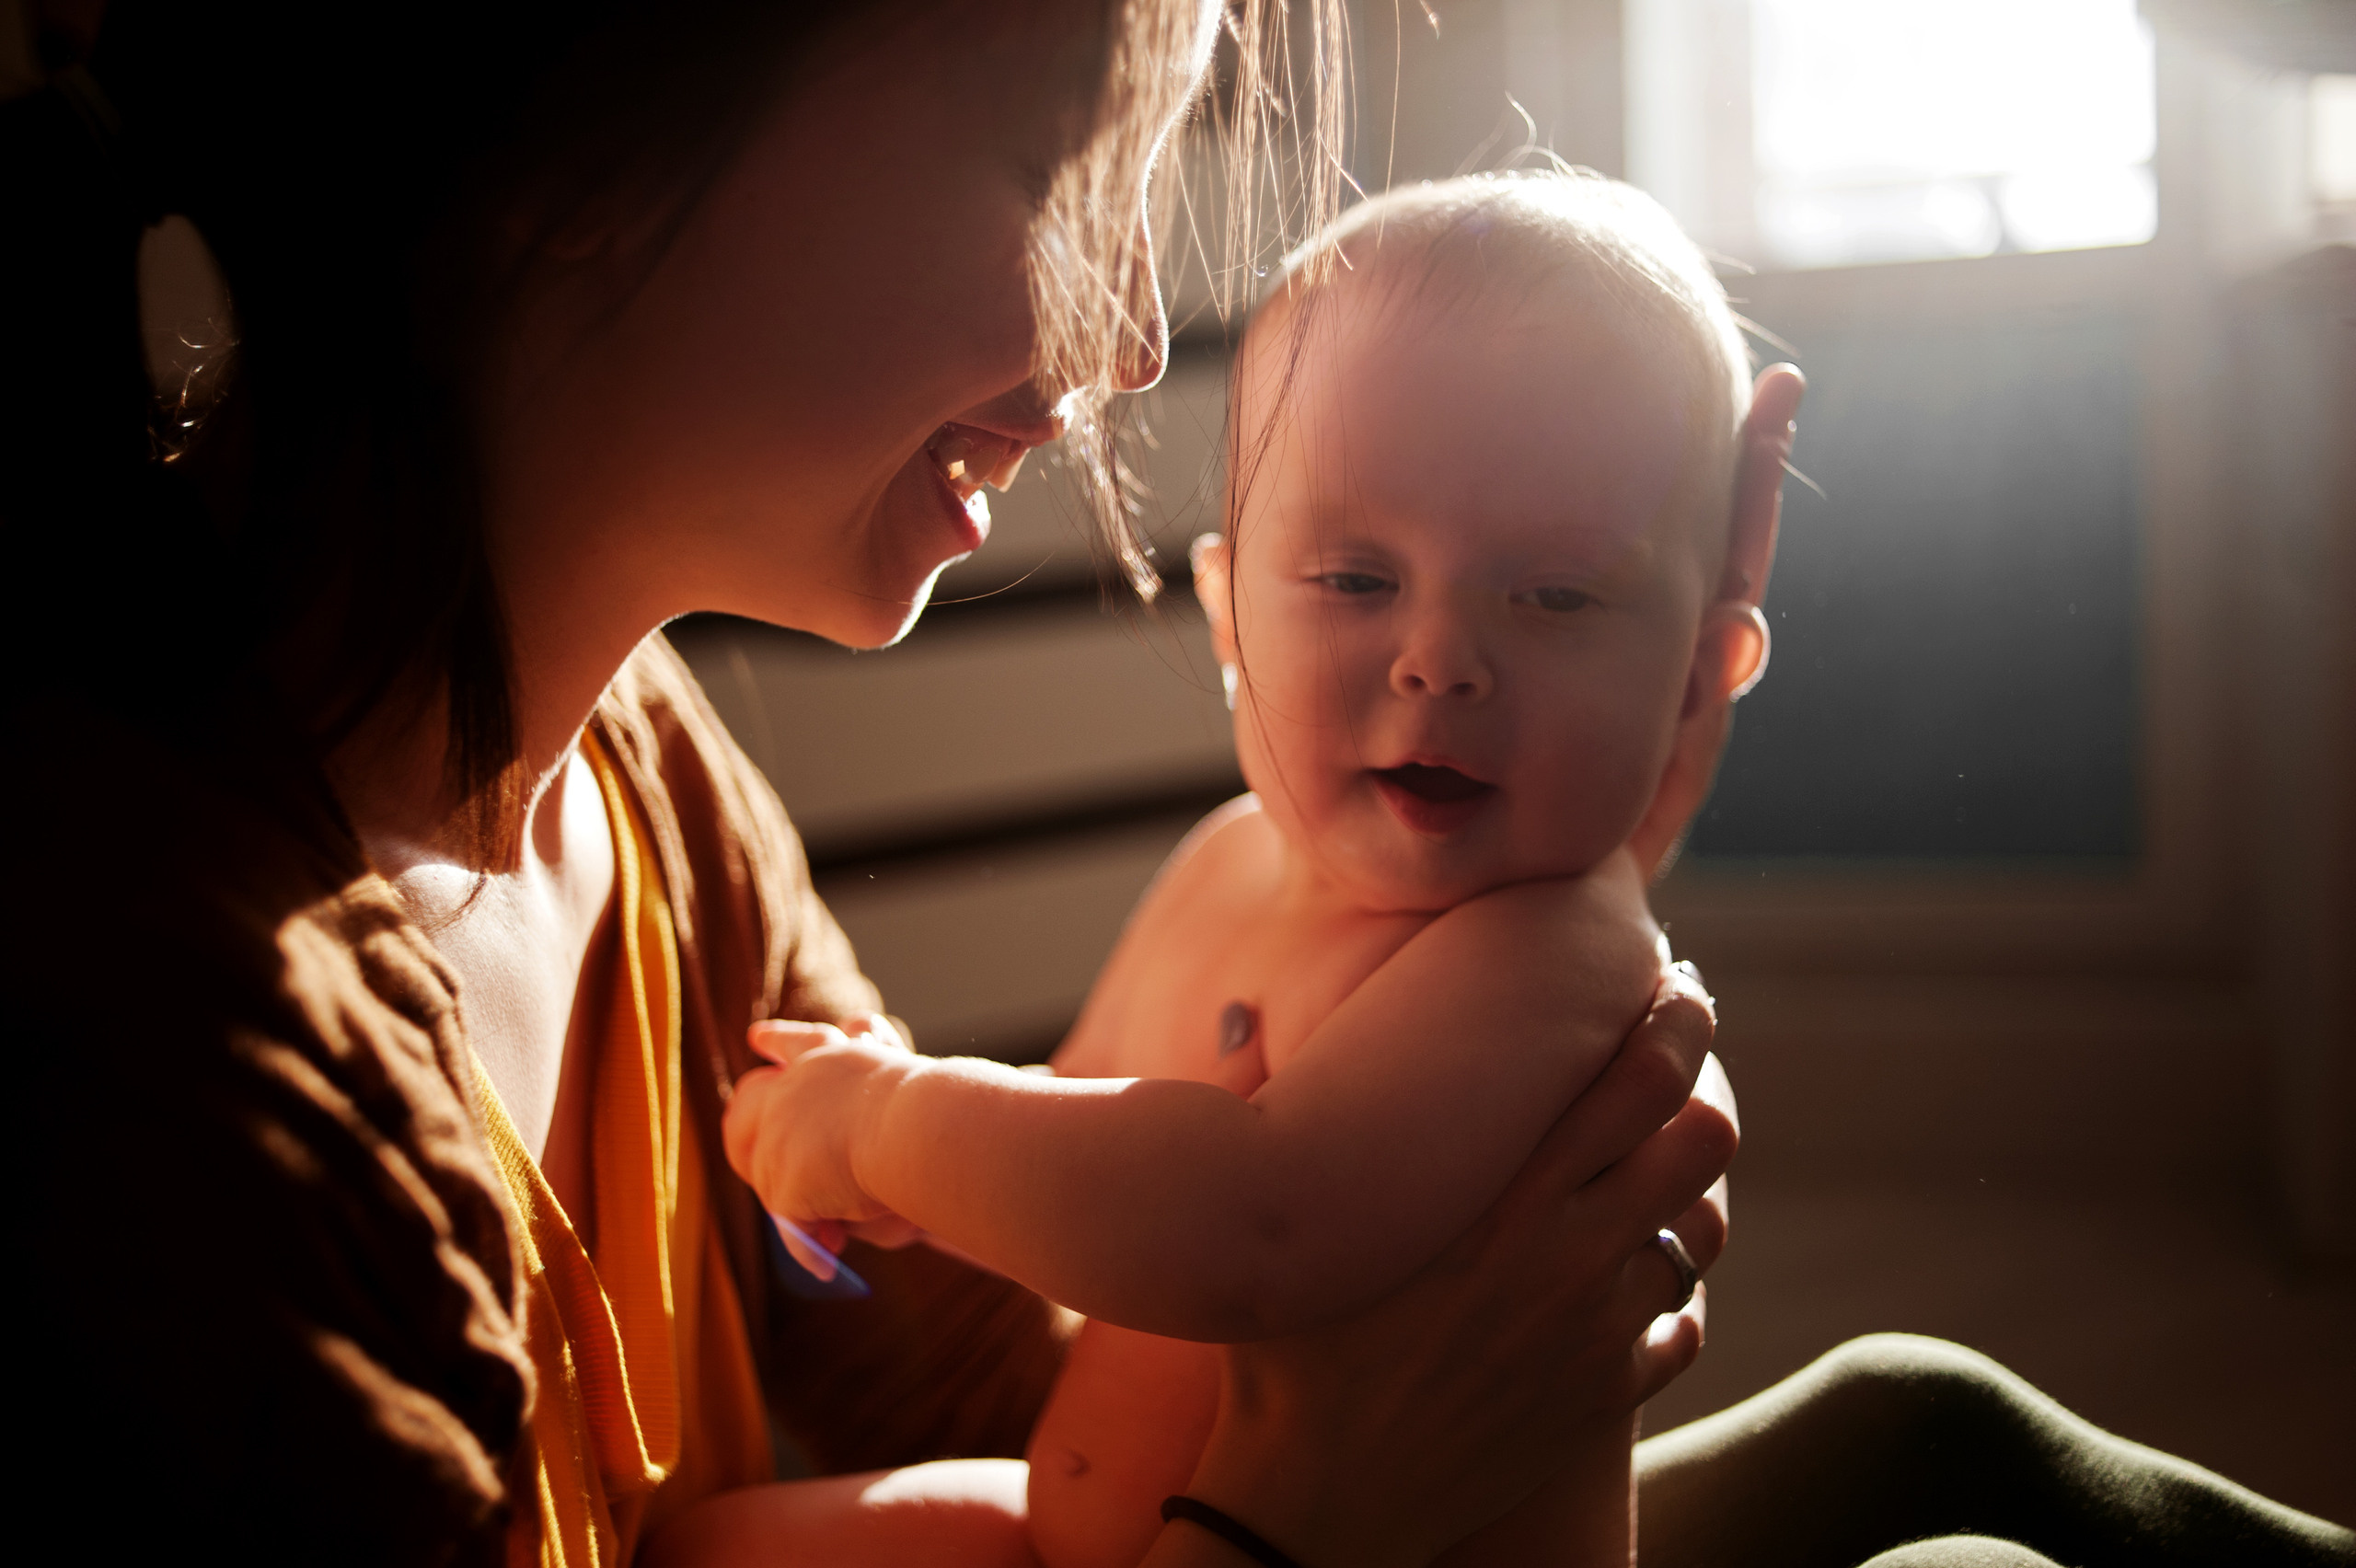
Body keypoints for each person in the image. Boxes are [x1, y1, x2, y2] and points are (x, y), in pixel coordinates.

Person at [6, 2, 2348, 1565]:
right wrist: (1289, 1541)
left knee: (1921, 1427)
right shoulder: (177, 1072)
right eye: (1049, 161)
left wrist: (1466, 939)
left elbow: (1041, 1392)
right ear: (594, 127)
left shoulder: (625, 775)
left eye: (1541, 593)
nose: (1126, 336)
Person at [726, 168, 1787, 1568]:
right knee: (711, 1548)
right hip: (1109, 1532)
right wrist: (931, 1181)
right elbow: (1083, 1123)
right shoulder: (1230, 861)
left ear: (1702, 675)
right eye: (1356, 580)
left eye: (1554, 596)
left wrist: (894, 1125)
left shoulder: (1555, 959)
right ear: (1229, 611)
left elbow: (1254, 1222)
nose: (1439, 660)